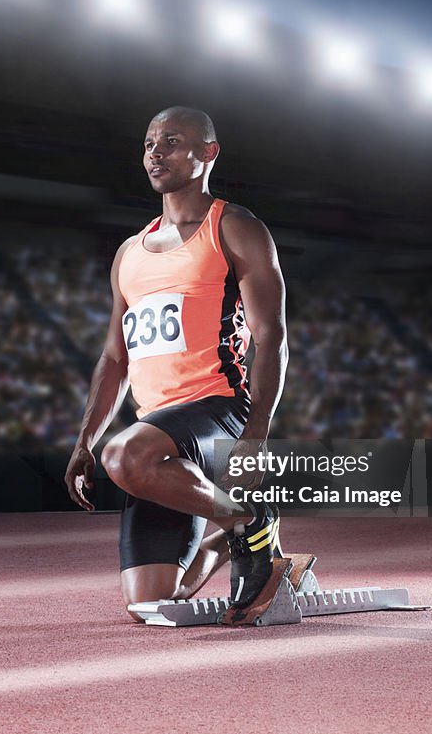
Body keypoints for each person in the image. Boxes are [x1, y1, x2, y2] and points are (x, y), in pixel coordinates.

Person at [64, 106, 288, 620]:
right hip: (161, 435)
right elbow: (114, 358)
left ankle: (246, 519)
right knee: (154, 604)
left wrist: (255, 432)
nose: (155, 152)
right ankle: (234, 538)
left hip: (219, 411)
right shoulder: (129, 253)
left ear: (208, 153)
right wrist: (84, 442)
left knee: (124, 459)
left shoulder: (234, 227)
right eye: (148, 143)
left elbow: (270, 335)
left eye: (171, 141)